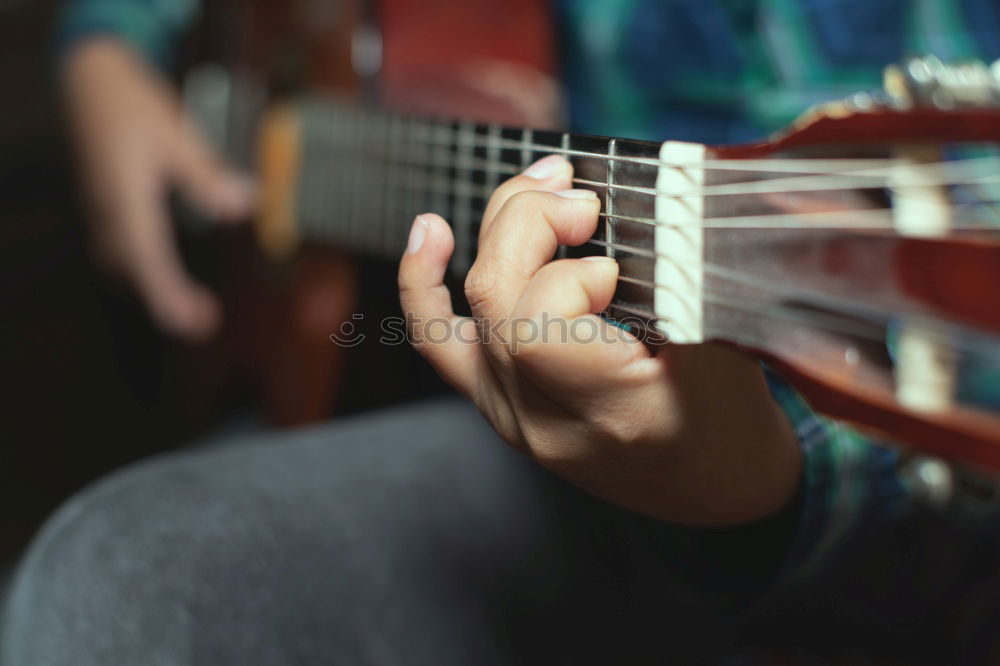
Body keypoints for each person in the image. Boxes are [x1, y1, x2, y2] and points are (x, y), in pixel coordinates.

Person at [2, 1, 1000, 664]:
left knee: (121, 579)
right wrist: (106, 44)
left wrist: (772, 473)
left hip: (804, 474)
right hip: (445, 367)